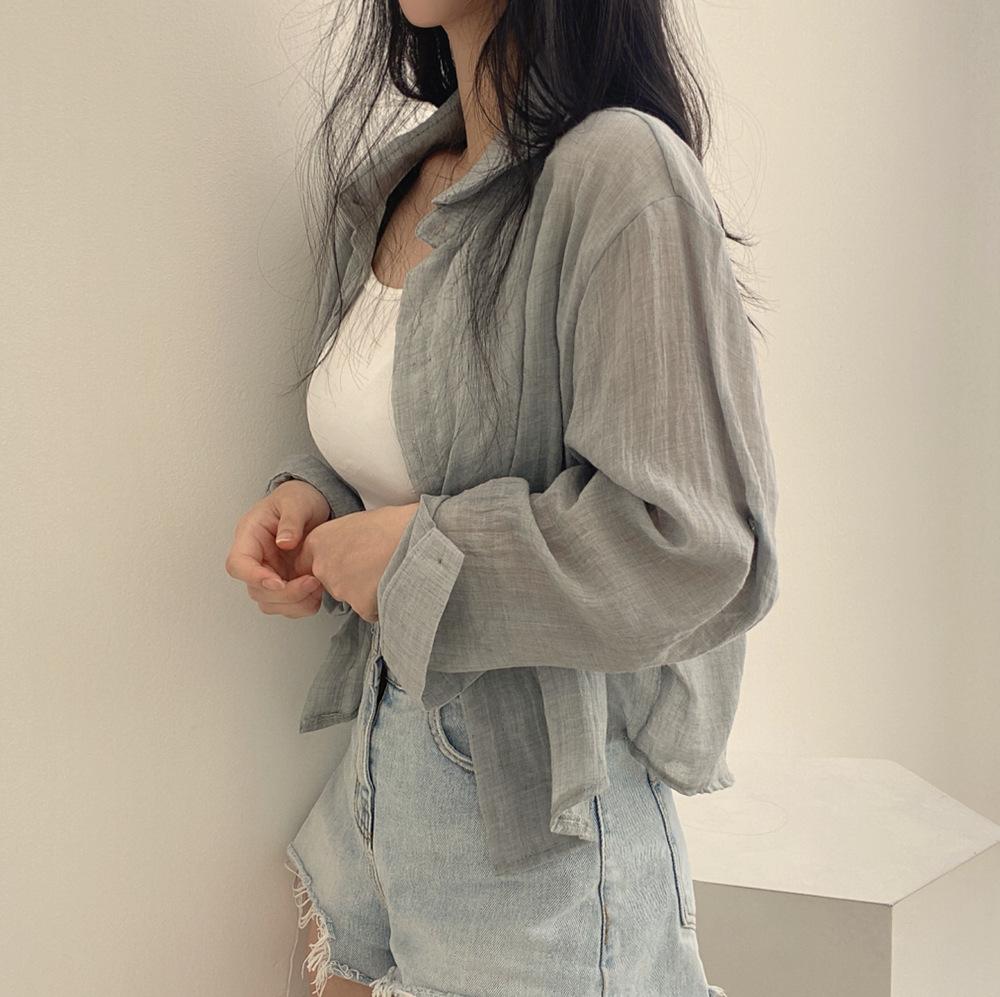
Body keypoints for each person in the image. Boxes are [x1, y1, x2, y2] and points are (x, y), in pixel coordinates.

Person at [226, 1, 778, 994]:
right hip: (376, 792)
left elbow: (691, 546)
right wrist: (316, 497)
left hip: (539, 843)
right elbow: (435, 443)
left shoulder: (618, 170)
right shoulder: (403, 181)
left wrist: (417, 555)